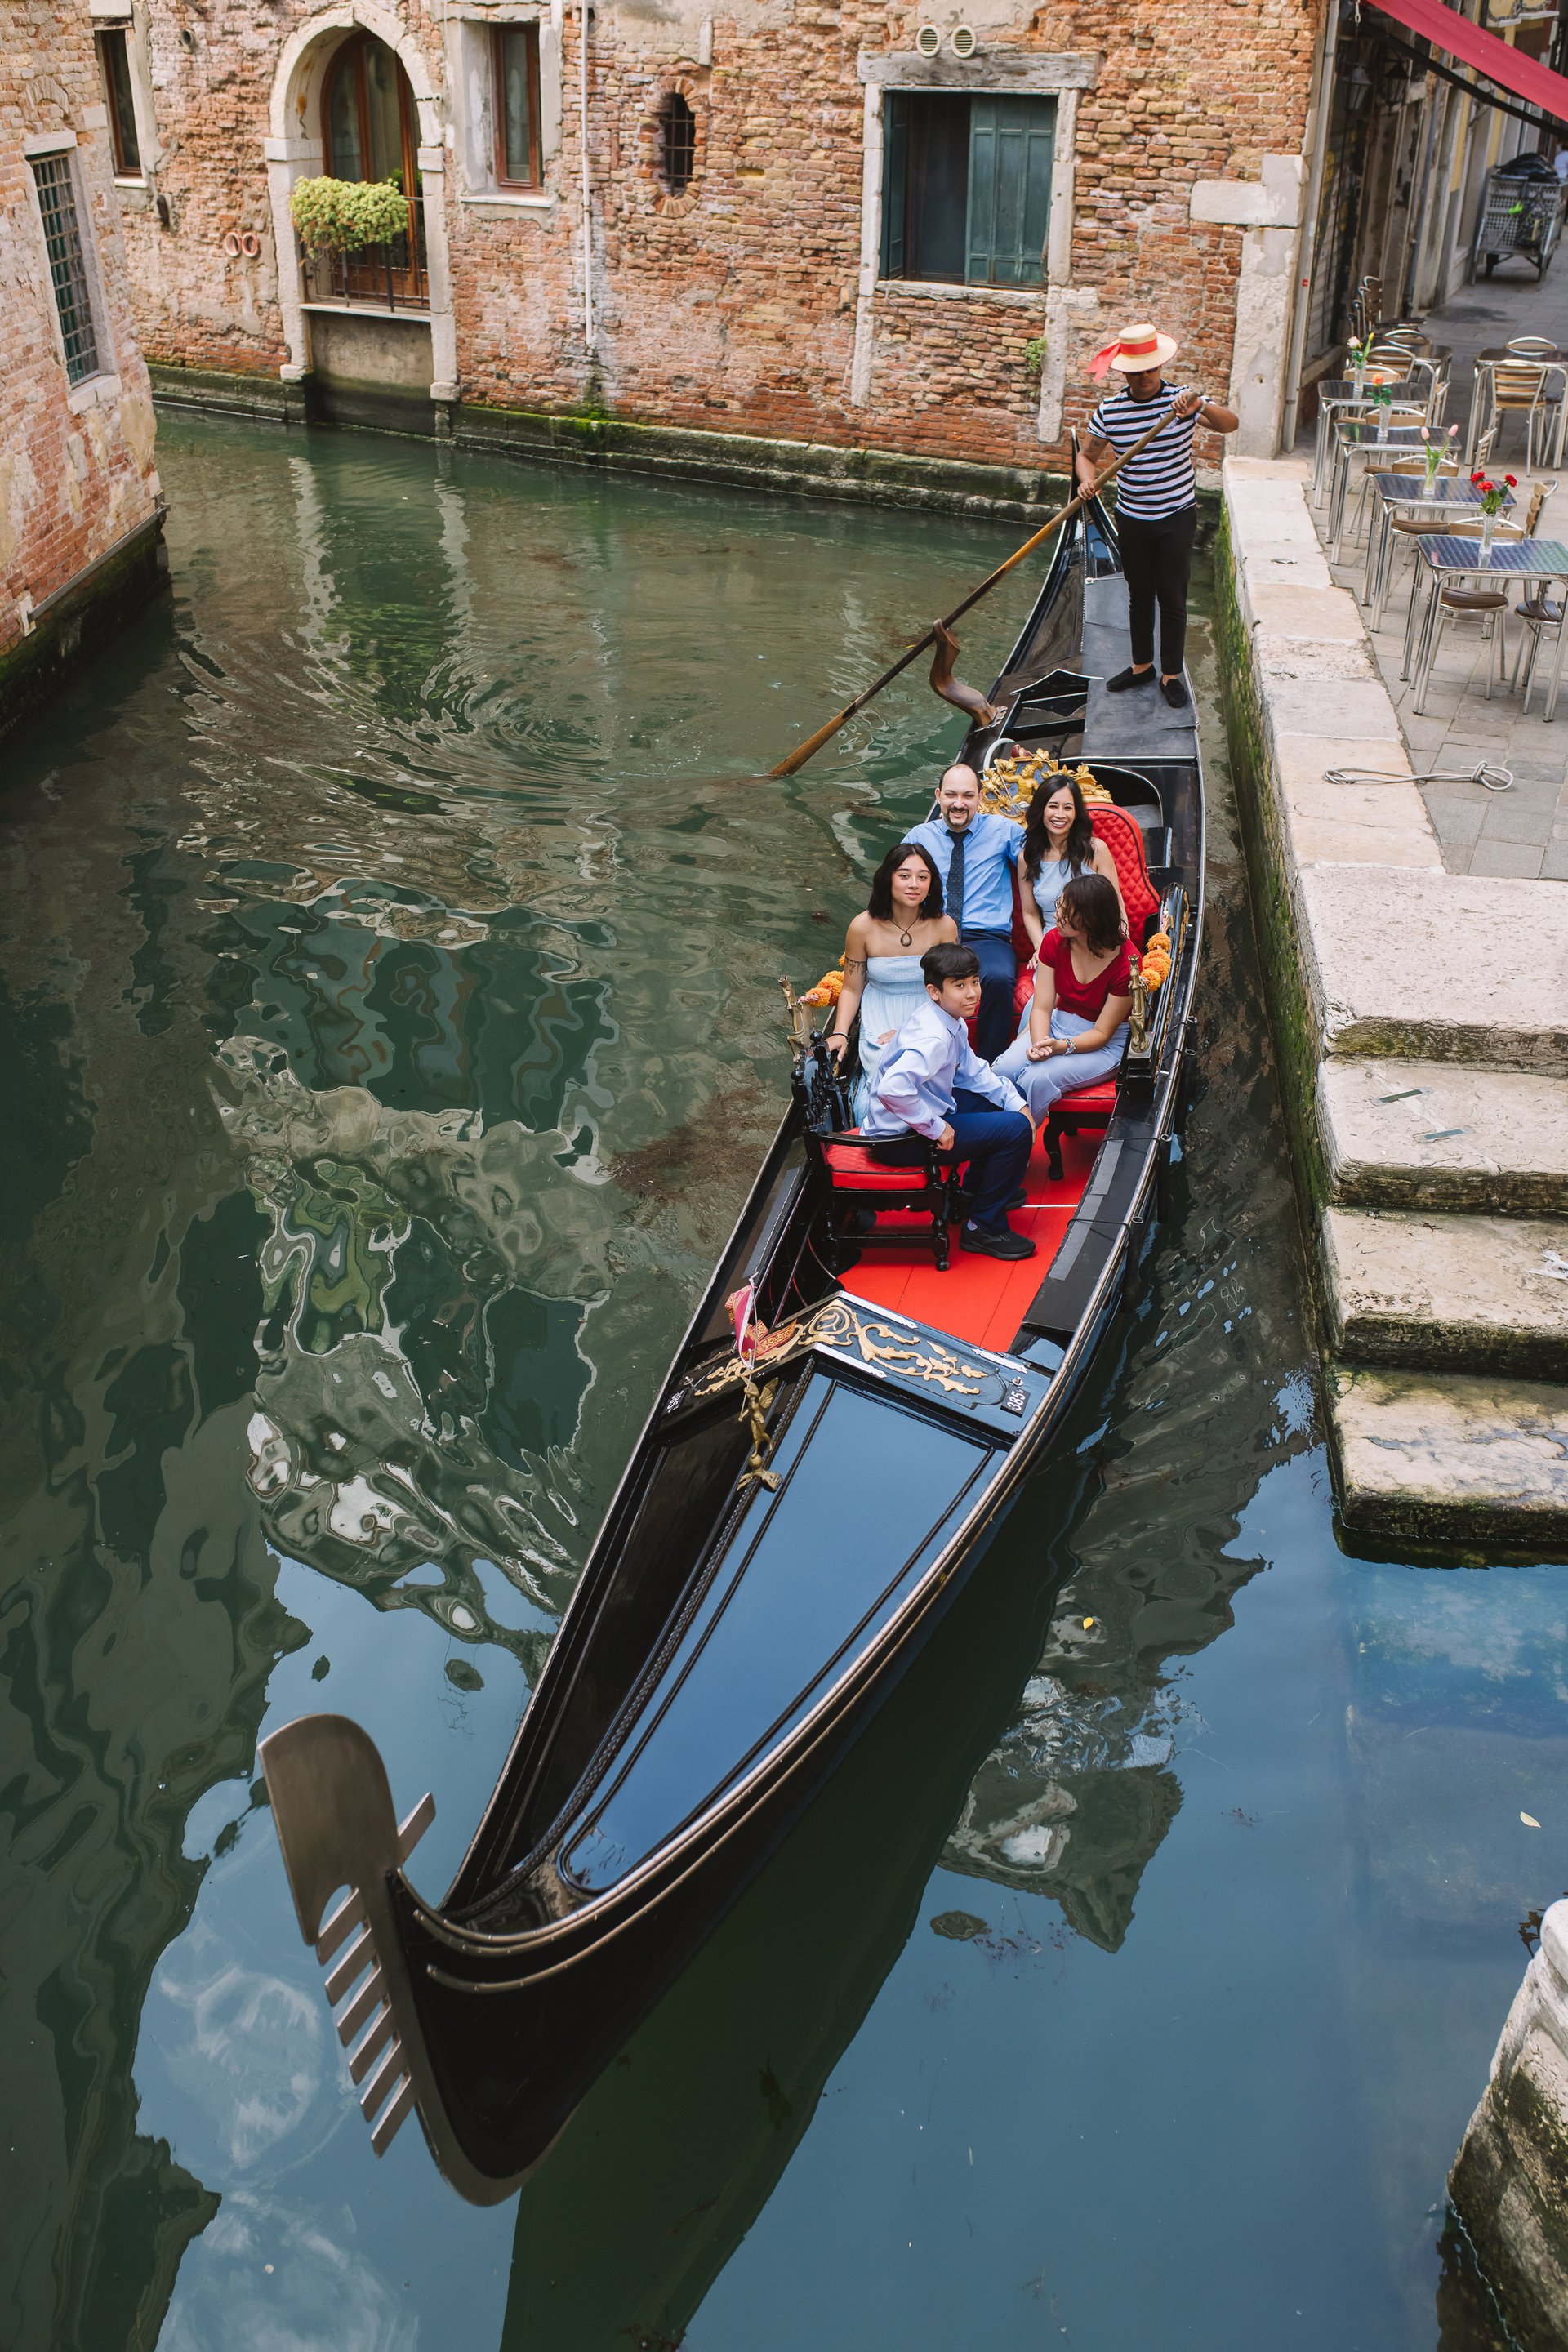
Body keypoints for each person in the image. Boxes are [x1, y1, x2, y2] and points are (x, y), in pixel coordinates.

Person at [1075, 323, 1238, 710]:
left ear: (1159, 367)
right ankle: (1142, 666)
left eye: (1150, 369)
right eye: (1137, 372)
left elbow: (1229, 425)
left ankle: (1171, 674)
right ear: (1125, 373)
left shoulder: (1183, 401)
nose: (1144, 377)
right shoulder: (1110, 410)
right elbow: (1087, 456)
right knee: (1139, 594)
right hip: (1132, 517)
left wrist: (1201, 407)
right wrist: (1087, 481)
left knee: (1173, 596)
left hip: (1176, 515)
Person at [861, 942, 1036, 1261]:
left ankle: (974, 1195)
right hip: (899, 1139)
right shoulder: (934, 1038)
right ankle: (984, 1227)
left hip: (919, 1118)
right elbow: (892, 1089)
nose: (973, 993)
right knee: (1016, 1130)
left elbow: (973, 1072)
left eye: (975, 982)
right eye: (960, 985)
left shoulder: (947, 1018)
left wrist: (1017, 1103)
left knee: (1012, 1102)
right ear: (934, 991)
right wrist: (936, 1127)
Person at [824, 841, 958, 1121]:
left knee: (921, 1063)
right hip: (880, 1012)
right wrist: (840, 1033)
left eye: (923, 877)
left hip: (929, 1012)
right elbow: (852, 987)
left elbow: (950, 990)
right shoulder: (862, 926)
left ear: (931, 883)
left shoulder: (944, 926)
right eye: (905, 876)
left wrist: (913, 1032)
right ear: (888, 878)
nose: (914, 884)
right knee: (886, 1070)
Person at [994, 874, 1134, 1125]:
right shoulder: (1054, 940)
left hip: (1104, 1043)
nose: (1057, 914)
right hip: (1057, 1024)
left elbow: (1102, 1033)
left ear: (1091, 920)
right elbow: (1042, 1007)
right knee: (1003, 1070)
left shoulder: (1126, 965)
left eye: (1067, 911)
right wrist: (1042, 1044)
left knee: (1035, 1078)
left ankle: (1017, 1140)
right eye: (1061, 904)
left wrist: (1061, 1047)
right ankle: (999, 1132)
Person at [908, 764, 1023, 1060]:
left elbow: (1047, 862)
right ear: (938, 796)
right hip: (933, 934)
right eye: (951, 795)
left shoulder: (1004, 831)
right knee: (908, 976)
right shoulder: (919, 837)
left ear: (980, 798)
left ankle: (989, 1063)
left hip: (987, 937)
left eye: (968, 795)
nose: (959, 803)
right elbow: (894, 884)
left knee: (999, 978)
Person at [1018, 772, 1128, 950]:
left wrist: (1123, 946)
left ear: (1076, 813)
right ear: (1041, 809)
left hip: (1097, 940)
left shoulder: (1096, 850)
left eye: (1068, 808)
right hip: (1053, 945)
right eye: (1053, 806)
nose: (1060, 815)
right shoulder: (1027, 858)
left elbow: (1116, 905)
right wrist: (1041, 948)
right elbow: (1029, 913)